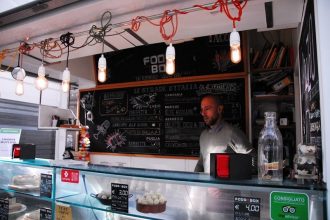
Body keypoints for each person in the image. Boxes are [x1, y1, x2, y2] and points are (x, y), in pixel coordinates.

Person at [194, 94, 252, 173]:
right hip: (208, 185)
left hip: (225, 185)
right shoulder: (203, 136)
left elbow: (252, 159)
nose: (203, 113)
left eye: (207, 109)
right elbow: (201, 163)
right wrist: (193, 182)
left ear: (219, 109)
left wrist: (233, 178)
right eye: (202, 110)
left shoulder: (232, 132)